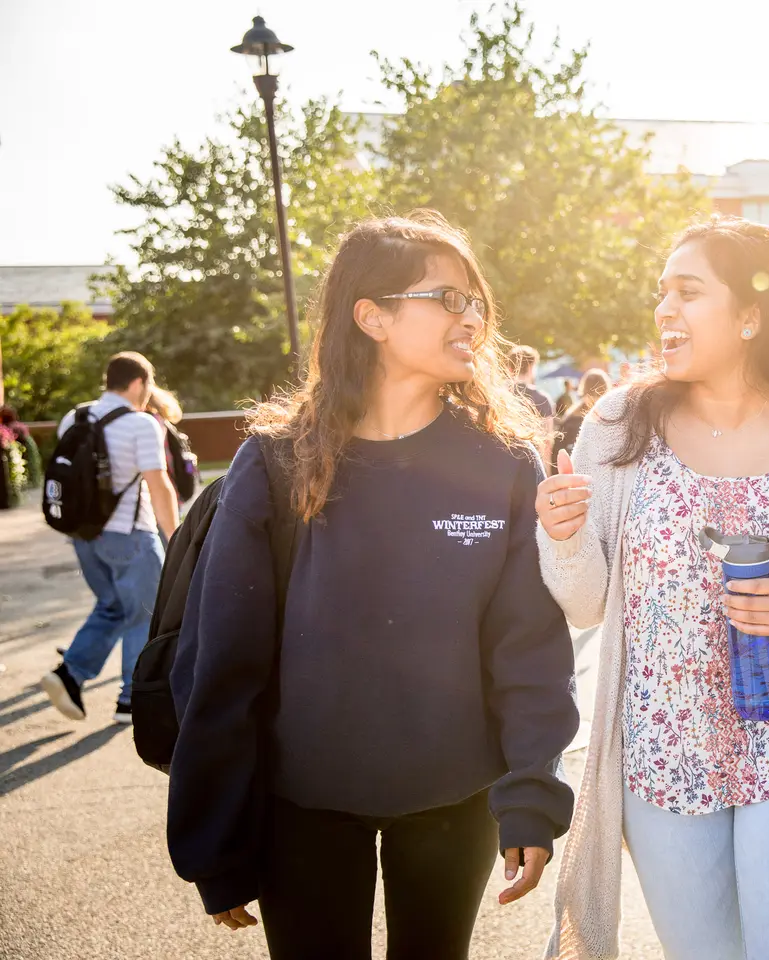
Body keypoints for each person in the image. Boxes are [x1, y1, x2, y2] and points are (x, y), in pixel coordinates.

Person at [165, 212, 579, 958]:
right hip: (302, 808)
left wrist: (530, 797)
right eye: (449, 299)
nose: (474, 318)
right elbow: (223, 664)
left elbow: (529, 651)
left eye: (477, 301)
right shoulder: (277, 464)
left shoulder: (504, 466)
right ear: (373, 317)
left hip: (456, 803)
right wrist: (216, 840)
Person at [535, 215, 769, 960]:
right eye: (660, 293)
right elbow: (584, 603)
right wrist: (564, 534)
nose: (663, 309)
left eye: (688, 292)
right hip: (660, 753)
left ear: (750, 316)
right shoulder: (617, 425)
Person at [41, 352, 180, 726]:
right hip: (131, 535)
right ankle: (130, 700)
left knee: (114, 607)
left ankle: (70, 675)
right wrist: (174, 536)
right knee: (143, 615)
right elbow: (158, 483)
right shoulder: (141, 424)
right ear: (138, 383)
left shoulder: (76, 416)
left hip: (84, 538)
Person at [552, 367, 610, 472]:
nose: (594, 400)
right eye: (592, 396)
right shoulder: (613, 419)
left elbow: (557, 453)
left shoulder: (570, 418)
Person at [510, 344, 556, 470]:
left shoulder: (499, 396)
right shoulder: (542, 399)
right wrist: (547, 474)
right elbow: (547, 443)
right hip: (532, 465)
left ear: (510, 368)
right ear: (531, 367)